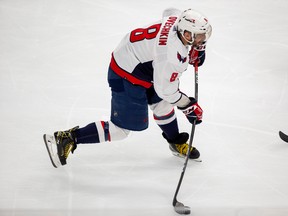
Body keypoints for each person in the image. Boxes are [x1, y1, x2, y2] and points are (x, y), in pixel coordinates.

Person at [44, 8, 212, 168]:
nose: (202, 40)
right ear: (186, 34)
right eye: (199, 37)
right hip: (126, 75)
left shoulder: (176, 20)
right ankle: (67, 138)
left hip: (139, 63)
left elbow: (170, 10)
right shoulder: (171, 56)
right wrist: (188, 105)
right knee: (121, 130)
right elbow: (166, 91)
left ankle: (175, 141)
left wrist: (197, 47)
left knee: (163, 106)